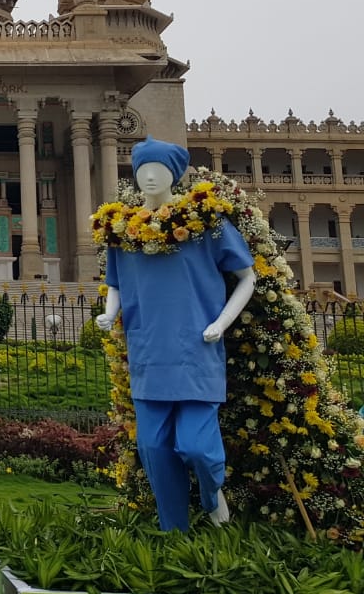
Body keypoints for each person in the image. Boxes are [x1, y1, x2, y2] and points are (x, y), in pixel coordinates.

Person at [96, 137, 255, 532]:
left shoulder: (206, 223)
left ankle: (210, 492)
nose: (150, 177)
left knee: (196, 447)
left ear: (175, 175)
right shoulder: (123, 231)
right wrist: (108, 312)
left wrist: (221, 322)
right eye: (142, 170)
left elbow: (247, 277)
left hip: (197, 350)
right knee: (153, 448)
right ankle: (175, 533)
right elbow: (114, 282)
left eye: (159, 170)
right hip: (148, 352)